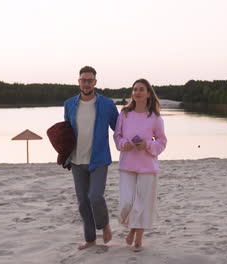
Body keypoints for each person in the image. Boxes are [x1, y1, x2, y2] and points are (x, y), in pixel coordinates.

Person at [63, 66, 119, 250]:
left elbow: (119, 128)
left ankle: (104, 225)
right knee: (83, 202)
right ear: (79, 82)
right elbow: (66, 132)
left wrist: (144, 135)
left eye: (90, 80)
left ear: (95, 82)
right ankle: (90, 239)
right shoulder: (69, 103)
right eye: (83, 80)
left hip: (99, 159)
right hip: (77, 160)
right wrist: (64, 154)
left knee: (95, 196)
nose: (86, 83)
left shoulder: (107, 104)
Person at [113, 78, 167, 252]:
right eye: (135, 89)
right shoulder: (125, 114)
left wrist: (148, 145)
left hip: (147, 165)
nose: (137, 92)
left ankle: (138, 238)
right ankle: (132, 227)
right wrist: (123, 144)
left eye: (141, 89)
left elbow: (162, 141)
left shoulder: (155, 118)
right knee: (127, 202)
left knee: (142, 203)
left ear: (148, 93)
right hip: (127, 163)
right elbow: (117, 136)